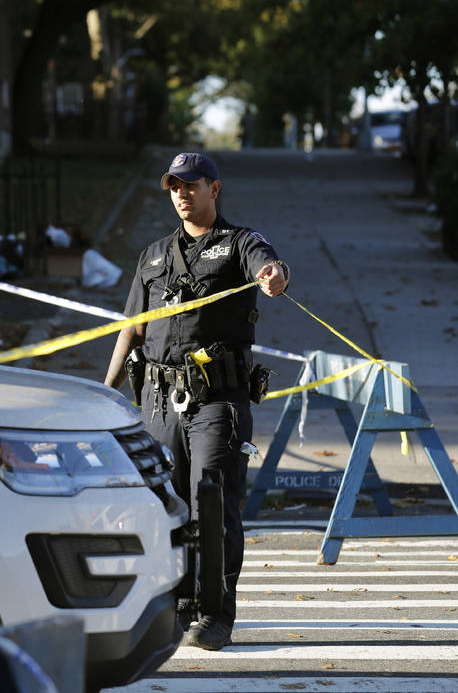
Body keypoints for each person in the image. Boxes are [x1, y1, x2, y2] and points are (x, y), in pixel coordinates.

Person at [104, 152, 288, 651]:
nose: (181, 194)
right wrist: (107, 393)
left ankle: (215, 612)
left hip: (216, 401)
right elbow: (132, 330)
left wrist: (274, 276)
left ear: (214, 188)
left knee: (213, 501)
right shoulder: (154, 255)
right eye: (174, 187)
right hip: (160, 401)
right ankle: (179, 604)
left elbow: (269, 266)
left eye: (191, 185)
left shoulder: (239, 243)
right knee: (168, 504)